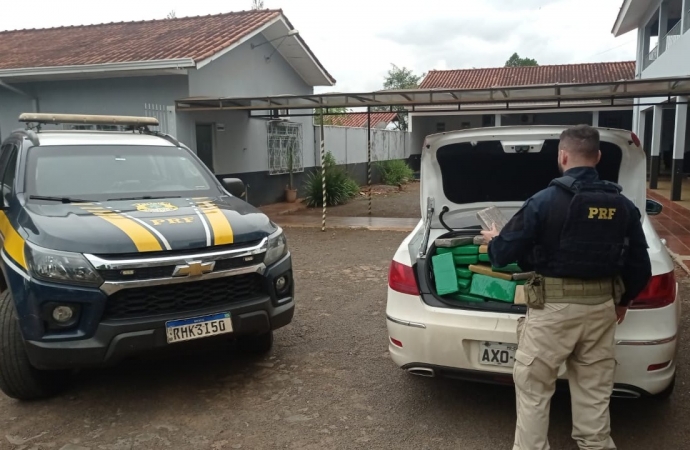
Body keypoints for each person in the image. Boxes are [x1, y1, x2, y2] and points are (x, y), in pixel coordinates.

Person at [480, 124, 652, 450]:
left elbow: (503, 255)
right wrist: (623, 302)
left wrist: (494, 241)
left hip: (552, 313)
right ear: (598, 157)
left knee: (534, 390)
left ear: (562, 156)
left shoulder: (543, 201)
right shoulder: (624, 206)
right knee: (594, 395)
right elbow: (640, 266)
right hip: (602, 310)